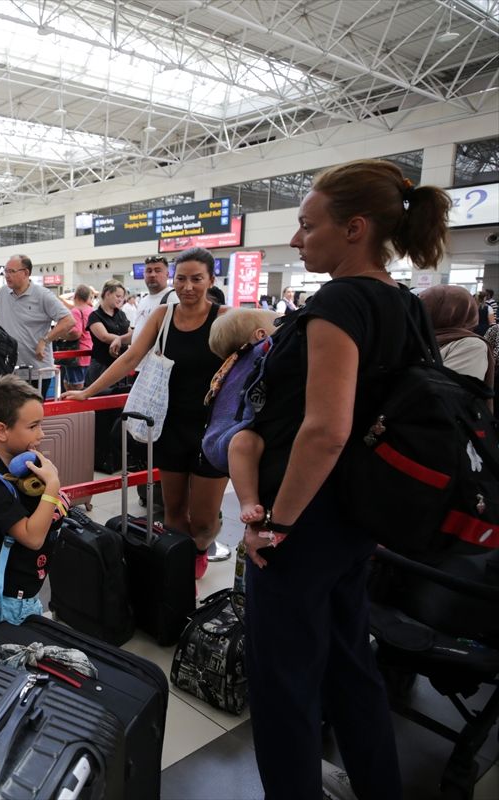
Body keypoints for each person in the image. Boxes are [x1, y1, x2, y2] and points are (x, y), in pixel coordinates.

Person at [236, 160, 452, 800]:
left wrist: (277, 523)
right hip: (357, 517)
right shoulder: (406, 305)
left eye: (308, 226)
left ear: (354, 228)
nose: (297, 239)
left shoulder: (339, 302)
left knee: (284, 680)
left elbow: (325, 429)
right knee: (351, 664)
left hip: (304, 520)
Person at [64, 247, 229, 577]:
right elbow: (130, 357)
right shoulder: (163, 315)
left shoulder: (225, 317)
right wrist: (87, 391)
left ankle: (199, 550)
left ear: (211, 280)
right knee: (173, 510)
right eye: (182, 279)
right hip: (169, 425)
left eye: (197, 279)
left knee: (205, 520)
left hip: (212, 430)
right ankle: (179, 570)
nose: (188, 287)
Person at [0, 375, 66, 628]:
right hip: (11, 598)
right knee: (14, 648)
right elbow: (32, 538)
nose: (41, 434)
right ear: (1, 431)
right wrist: (52, 487)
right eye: (33, 426)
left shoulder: (21, 469)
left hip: (26, 589)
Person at [205, 308, 280, 527]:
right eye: (276, 326)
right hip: (226, 439)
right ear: (261, 335)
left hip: (217, 438)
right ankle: (247, 501)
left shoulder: (234, 363)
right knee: (245, 442)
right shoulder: (259, 351)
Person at [0, 254, 76, 397]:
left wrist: (45, 340)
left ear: (26, 273)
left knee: (33, 409)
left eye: (12, 271)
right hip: (8, 370)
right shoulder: (3, 293)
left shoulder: (42, 295)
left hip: (37, 370)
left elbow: (69, 320)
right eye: (6, 271)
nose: (7, 275)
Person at [420, 284, 493, 384]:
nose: (418, 312)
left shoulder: (471, 345)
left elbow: (449, 388)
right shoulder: (419, 337)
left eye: (425, 306)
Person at [122, 255, 177, 351]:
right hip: (139, 359)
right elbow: (139, 332)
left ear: (167, 274)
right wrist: (120, 339)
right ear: (144, 274)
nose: (152, 275)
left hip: (159, 359)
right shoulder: (143, 300)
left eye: (158, 270)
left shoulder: (173, 298)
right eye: (149, 271)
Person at [85, 280, 130, 386]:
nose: (120, 299)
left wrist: (119, 339)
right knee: (101, 394)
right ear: (107, 294)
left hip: (122, 364)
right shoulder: (95, 316)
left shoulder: (121, 314)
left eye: (122, 297)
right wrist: (123, 339)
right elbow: (104, 337)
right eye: (118, 296)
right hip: (102, 365)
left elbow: (132, 335)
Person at [63, 285, 94, 391]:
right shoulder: (91, 310)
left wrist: (61, 335)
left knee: (75, 386)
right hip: (88, 351)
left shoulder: (76, 311)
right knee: (73, 383)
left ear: (75, 296)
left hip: (76, 354)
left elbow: (76, 332)